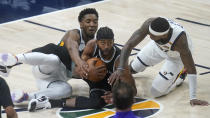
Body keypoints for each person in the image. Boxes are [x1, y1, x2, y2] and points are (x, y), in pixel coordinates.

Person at [0, 8, 99, 105]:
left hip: (53, 81)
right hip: (45, 67)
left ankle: (25, 96)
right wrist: (80, 62)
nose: (92, 25)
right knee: (54, 57)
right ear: (81, 24)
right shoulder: (73, 34)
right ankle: (15, 59)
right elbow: (71, 48)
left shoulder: (94, 46)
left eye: (95, 22)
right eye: (88, 21)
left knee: (67, 90)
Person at [28, 27, 137, 111]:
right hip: (88, 73)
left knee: (97, 103)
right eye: (103, 43)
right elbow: (83, 58)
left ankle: (51, 102)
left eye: (110, 42)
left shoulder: (119, 59)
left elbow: (133, 90)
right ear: (97, 41)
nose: (107, 46)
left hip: (104, 82)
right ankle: (19, 58)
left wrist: (116, 93)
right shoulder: (91, 45)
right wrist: (82, 67)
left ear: (113, 41)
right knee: (57, 49)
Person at [108, 17, 209, 106]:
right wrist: (121, 68)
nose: (149, 36)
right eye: (149, 33)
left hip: (176, 58)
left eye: (152, 35)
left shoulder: (180, 41)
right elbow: (129, 45)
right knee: (132, 69)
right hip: (157, 48)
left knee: (156, 92)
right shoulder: (150, 24)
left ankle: (180, 76)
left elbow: (191, 69)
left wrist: (193, 97)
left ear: (164, 35)